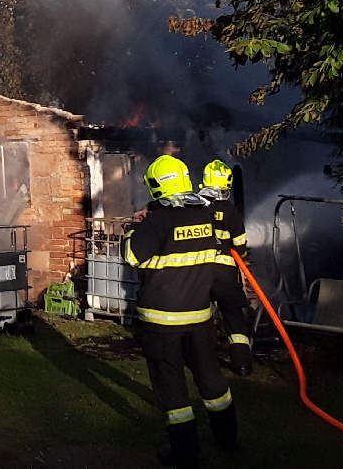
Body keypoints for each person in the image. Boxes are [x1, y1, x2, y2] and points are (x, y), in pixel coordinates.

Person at [124, 155, 237, 469]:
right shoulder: (204, 215)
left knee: (171, 386)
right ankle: (228, 439)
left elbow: (132, 257)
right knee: (211, 379)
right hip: (200, 317)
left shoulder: (157, 222)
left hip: (162, 322)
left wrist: (133, 227)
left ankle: (185, 453)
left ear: (156, 186)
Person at [200, 159, 253, 376]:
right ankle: (241, 364)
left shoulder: (195, 209)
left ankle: (202, 360)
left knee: (201, 317)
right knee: (233, 318)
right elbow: (240, 243)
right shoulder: (231, 211)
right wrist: (241, 255)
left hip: (200, 271)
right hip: (224, 273)